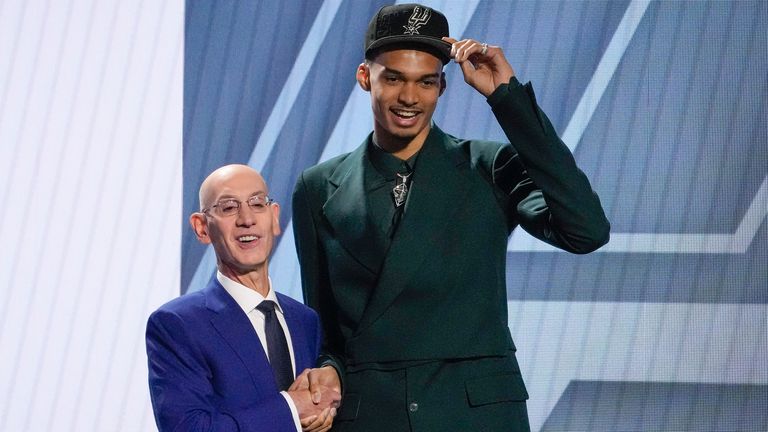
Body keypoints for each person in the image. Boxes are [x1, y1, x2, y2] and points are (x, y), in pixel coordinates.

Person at [291, 4, 611, 432]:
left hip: (475, 414)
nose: (410, 98)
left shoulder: (489, 165)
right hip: (373, 416)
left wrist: (507, 98)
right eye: (394, 78)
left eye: (426, 82)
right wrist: (328, 370)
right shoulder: (317, 187)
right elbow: (326, 330)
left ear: (442, 86)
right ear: (365, 77)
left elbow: (585, 230)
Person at [146, 164, 340, 432]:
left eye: (257, 203)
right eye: (228, 207)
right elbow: (187, 428)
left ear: (274, 218)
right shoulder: (177, 325)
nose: (246, 219)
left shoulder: (305, 320)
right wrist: (290, 409)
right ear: (202, 228)